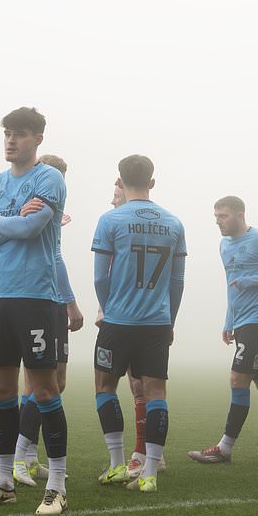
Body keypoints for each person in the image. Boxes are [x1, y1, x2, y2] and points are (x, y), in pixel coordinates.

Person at [0, 107, 70, 516]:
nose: (11, 140)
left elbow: (29, 231)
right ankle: (3, 481)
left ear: (38, 139)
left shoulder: (49, 178)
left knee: (43, 390)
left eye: (20, 134)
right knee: (1, 392)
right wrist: (4, 217)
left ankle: (58, 486)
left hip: (35, 297)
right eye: (7, 133)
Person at [90, 156, 186, 492]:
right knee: (156, 393)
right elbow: (177, 280)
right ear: (152, 181)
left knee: (105, 386)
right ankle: (149, 474)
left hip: (117, 321)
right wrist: (169, 318)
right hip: (156, 324)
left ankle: (117, 465)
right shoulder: (174, 223)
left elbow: (101, 276)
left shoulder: (110, 219)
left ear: (120, 179)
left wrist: (108, 304)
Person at [189, 196, 258, 466]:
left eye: (223, 216)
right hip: (244, 323)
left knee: (238, 380)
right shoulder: (224, 246)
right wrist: (229, 321)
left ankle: (224, 448)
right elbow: (231, 286)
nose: (218, 221)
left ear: (240, 214)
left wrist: (253, 280)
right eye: (216, 216)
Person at [11, 153, 83, 487]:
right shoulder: (40, 205)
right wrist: (71, 303)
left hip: (49, 298)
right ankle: (18, 458)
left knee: (52, 382)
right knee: (44, 384)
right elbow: (54, 258)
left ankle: (27, 457)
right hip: (44, 298)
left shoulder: (49, 207)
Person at [99, 182, 165, 479]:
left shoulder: (122, 225)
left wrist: (107, 307)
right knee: (138, 386)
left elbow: (104, 277)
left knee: (138, 387)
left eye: (116, 191)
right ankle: (146, 458)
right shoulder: (119, 226)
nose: (112, 196)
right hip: (146, 320)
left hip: (126, 318)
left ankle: (142, 456)